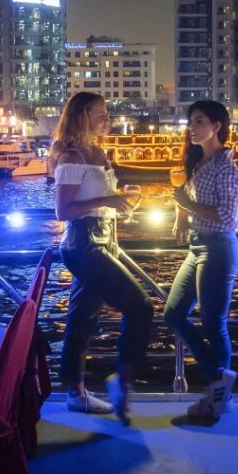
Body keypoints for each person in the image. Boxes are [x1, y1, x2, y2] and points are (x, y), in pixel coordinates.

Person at [52, 92, 154, 425]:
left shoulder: (98, 152)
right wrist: (109, 199)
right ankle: (122, 382)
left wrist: (118, 203)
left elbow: (99, 200)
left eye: (107, 112)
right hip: (83, 245)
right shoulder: (71, 157)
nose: (106, 119)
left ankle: (75, 393)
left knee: (82, 318)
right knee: (140, 306)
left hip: (105, 240)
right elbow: (63, 211)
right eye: (100, 113)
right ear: (82, 116)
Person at [164, 100, 238, 421]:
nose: (192, 127)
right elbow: (188, 197)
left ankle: (217, 395)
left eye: (199, 121)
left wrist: (187, 204)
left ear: (217, 127)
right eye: (190, 121)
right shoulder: (201, 164)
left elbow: (227, 218)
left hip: (218, 248)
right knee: (173, 314)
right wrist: (182, 215)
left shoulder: (228, 170)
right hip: (198, 247)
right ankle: (219, 381)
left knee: (214, 324)